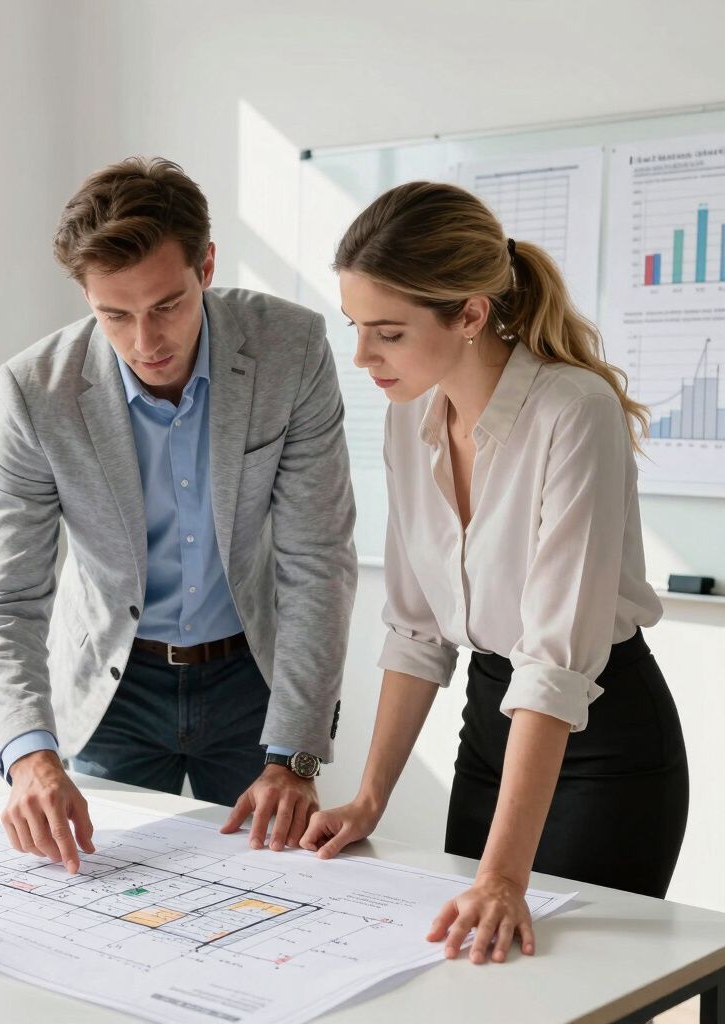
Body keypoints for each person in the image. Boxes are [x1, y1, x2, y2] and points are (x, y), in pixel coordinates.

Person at [300, 181, 688, 966]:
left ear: (470, 315)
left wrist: (504, 873)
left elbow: (552, 664)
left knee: (571, 991)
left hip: (600, 741)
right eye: (355, 328)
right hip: (489, 727)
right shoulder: (409, 418)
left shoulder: (573, 412)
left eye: (388, 333)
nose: (363, 357)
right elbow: (415, 630)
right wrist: (369, 799)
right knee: (474, 981)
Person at [0, 157, 358, 875]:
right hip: (113, 690)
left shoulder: (290, 351)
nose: (146, 342)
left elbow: (317, 560)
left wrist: (295, 755)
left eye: (167, 306)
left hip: (251, 683)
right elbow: (6, 596)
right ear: (86, 297)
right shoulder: (35, 391)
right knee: (102, 909)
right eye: (114, 314)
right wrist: (28, 754)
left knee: (271, 898)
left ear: (206, 266)